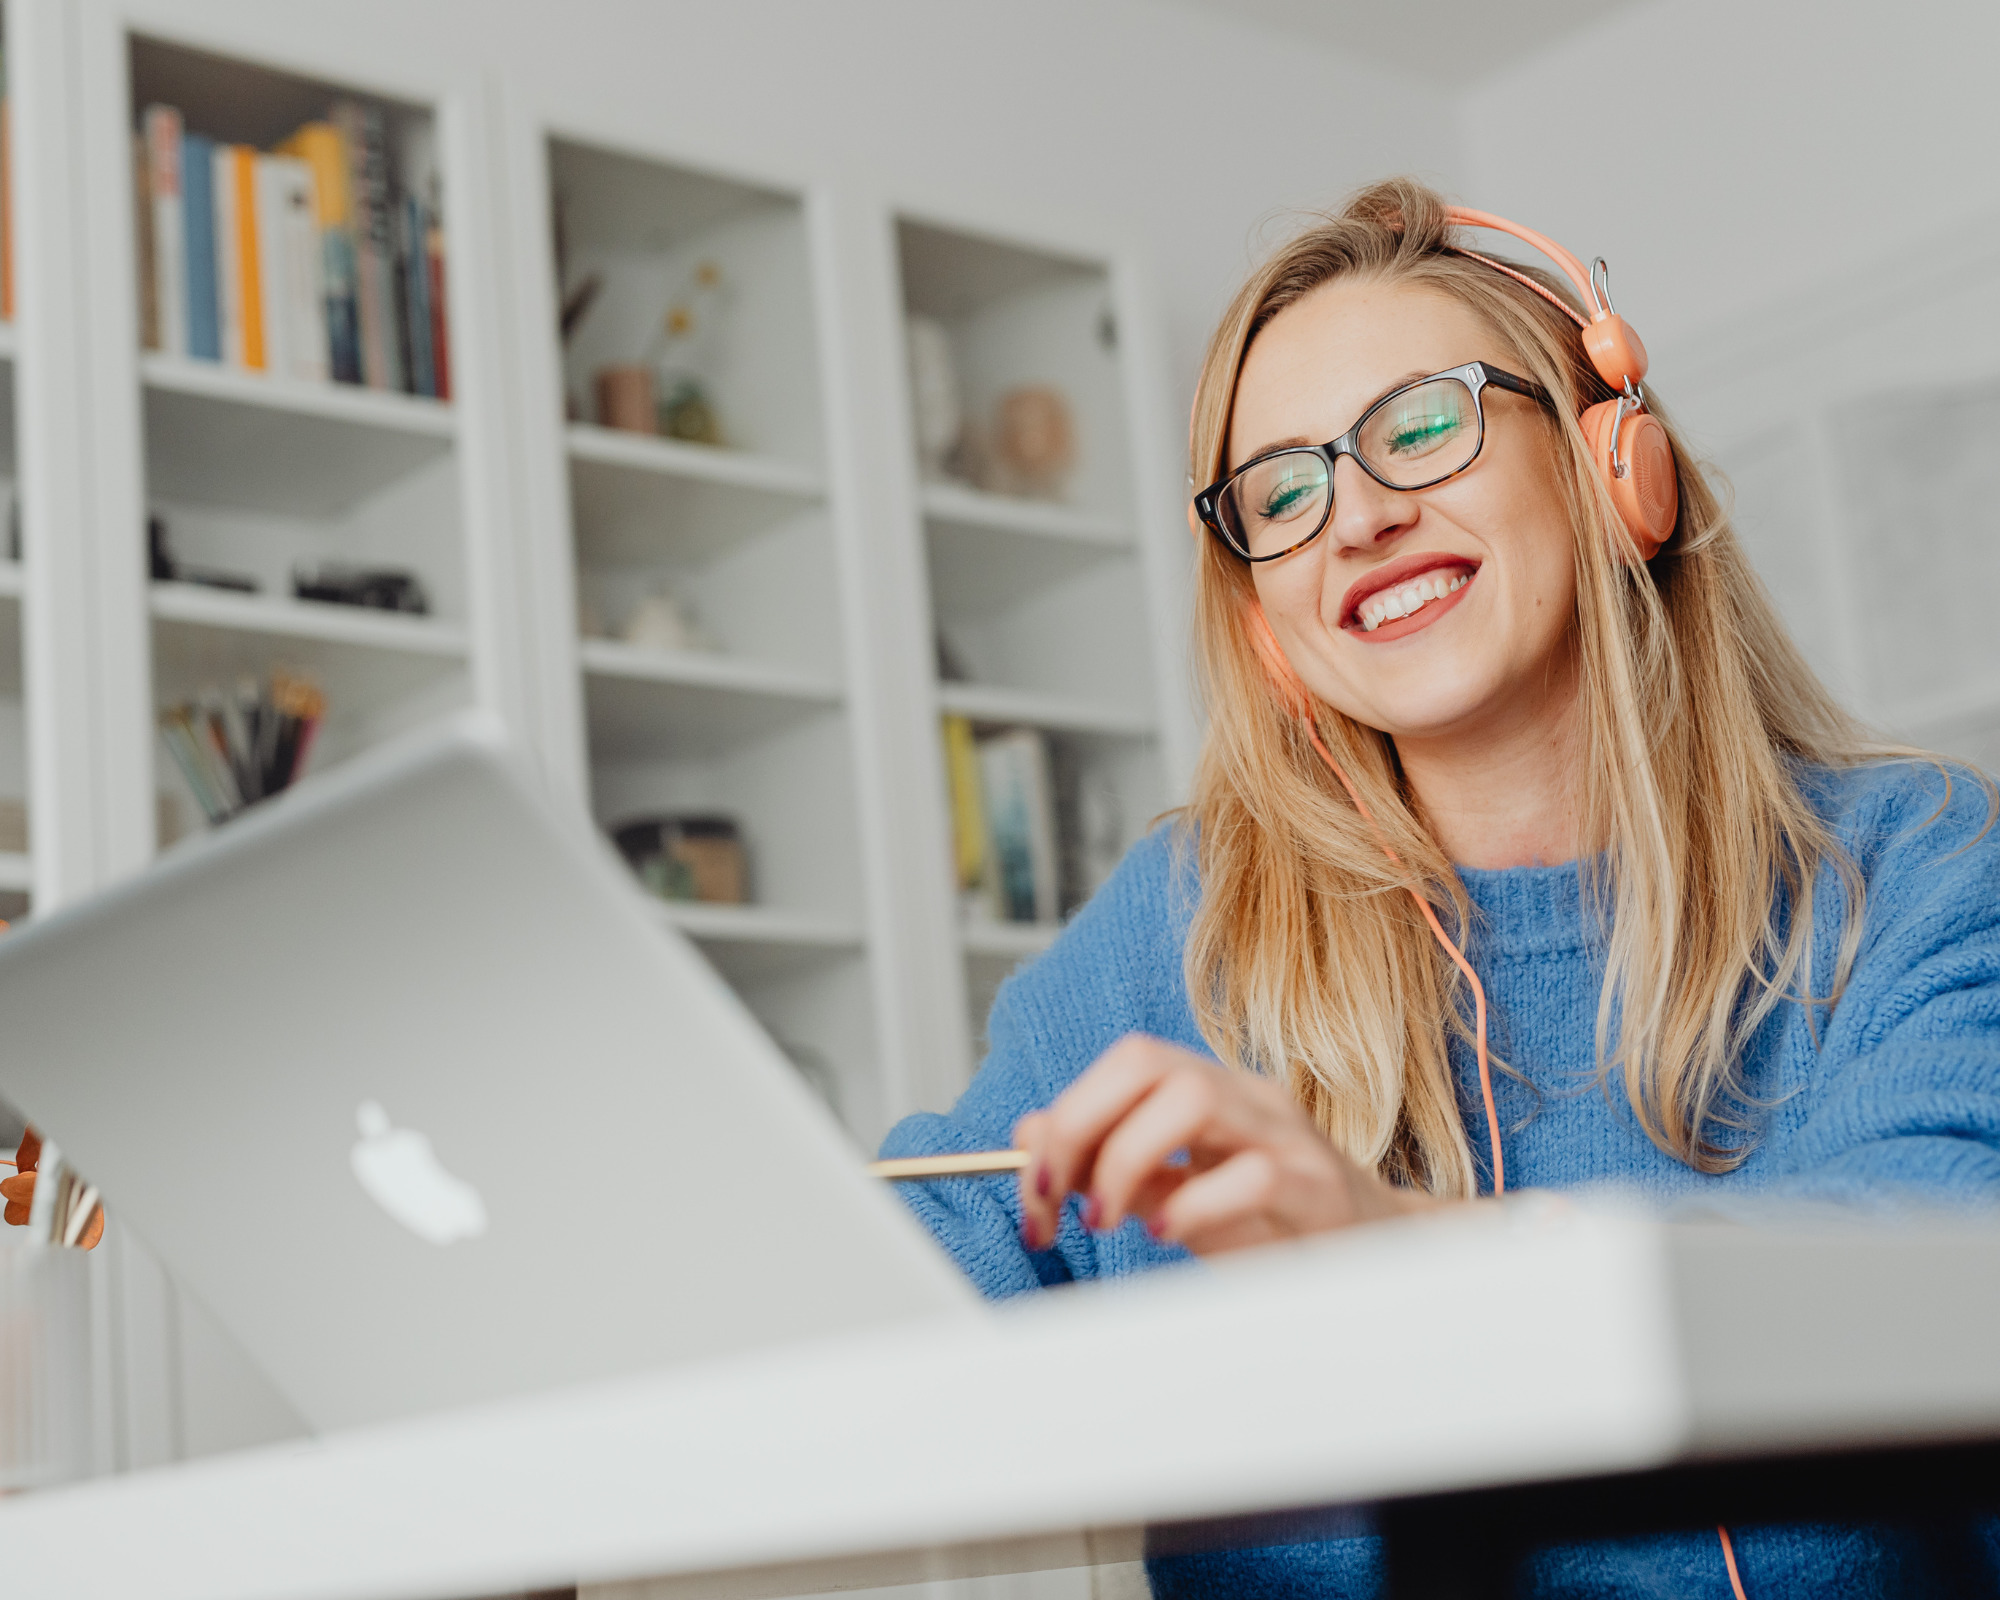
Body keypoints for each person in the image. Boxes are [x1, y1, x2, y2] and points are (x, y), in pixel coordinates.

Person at [878, 178, 2000, 1598]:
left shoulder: (1915, 863)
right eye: (1282, 491)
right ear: (1270, 626)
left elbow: (1940, 1260)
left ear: (1612, 466)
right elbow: (908, 1279)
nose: (1356, 516)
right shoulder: (1183, 929)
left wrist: (1402, 1255)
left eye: (1421, 425)